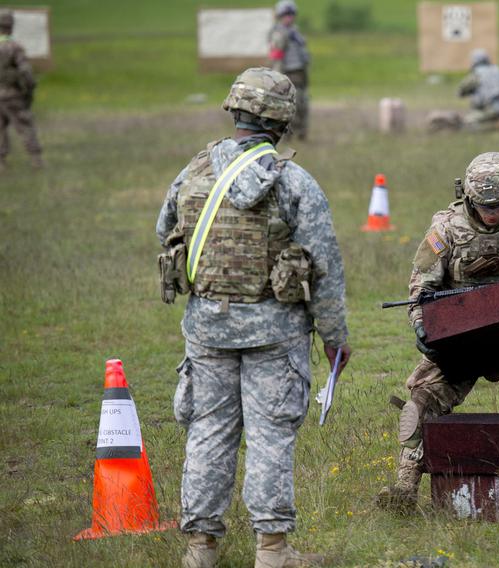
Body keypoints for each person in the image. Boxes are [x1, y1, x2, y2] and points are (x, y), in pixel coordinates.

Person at [156, 67, 351, 568]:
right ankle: (273, 552)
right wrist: (334, 338)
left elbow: (165, 229)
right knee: (270, 436)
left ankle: (199, 551)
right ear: (282, 122)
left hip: (206, 330)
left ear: (235, 112)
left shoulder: (195, 170)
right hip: (276, 333)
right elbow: (322, 263)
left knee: (208, 432)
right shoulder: (293, 181)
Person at [376, 152, 499, 510]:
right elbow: (420, 288)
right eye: (484, 205)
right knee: (421, 402)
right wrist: (422, 328)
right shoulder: (446, 228)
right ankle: (405, 487)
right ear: (468, 197)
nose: (491, 212)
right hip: (461, 339)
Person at [0, 9, 42, 171]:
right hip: (13, 95)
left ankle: (1, 163)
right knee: (25, 126)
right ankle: (36, 160)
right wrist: (30, 87)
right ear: (11, 26)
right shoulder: (14, 48)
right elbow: (26, 72)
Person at [268, 0, 310, 141]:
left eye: (291, 14)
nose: (289, 17)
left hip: (300, 73)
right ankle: (287, 134)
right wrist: (278, 77)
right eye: (286, 14)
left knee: (303, 103)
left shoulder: (295, 31)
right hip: (287, 74)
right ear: (280, 16)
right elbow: (276, 56)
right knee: (288, 105)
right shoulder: (279, 33)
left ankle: (301, 132)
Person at [457, 48, 499, 130]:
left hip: (492, 106)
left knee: (467, 121)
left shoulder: (477, 73)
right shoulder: (497, 69)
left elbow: (462, 90)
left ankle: (477, 127)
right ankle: (498, 122)